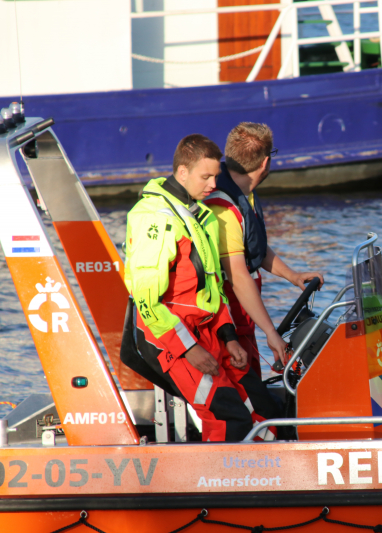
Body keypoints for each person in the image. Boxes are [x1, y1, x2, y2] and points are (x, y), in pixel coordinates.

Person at [123, 134, 278, 442]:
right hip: (171, 338)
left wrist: (229, 337)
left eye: (215, 177)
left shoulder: (197, 214)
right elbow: (147, 301)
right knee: (228, 415)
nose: (212, 185)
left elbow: (213, 290)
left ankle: (275, 477)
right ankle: (221, 485)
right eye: (205, 177)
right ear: (182, 172)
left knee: (263, 408)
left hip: (209, 333)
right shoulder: (154, 218)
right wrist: (189, 350)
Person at [205, 123, 324, 376]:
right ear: (265, 163)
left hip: (246, 318)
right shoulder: (223, 209)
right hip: (229, 323)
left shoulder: (244, 193)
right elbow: (237, 276)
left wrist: (291, 275)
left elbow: (253, 244)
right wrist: (271, 333)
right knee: (246, 396)